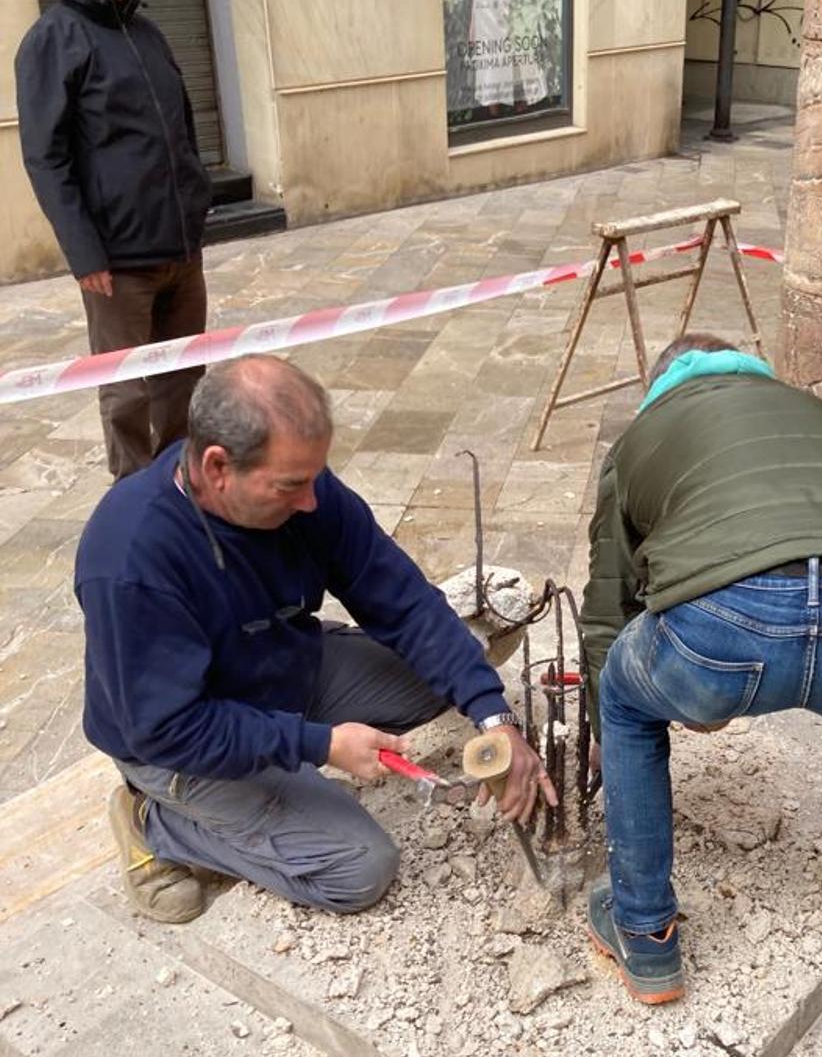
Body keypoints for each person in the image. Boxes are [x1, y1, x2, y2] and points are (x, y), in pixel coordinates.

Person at [74, 355, 552, 924]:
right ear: (218, 466)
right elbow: (170, 727)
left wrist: (495, 718)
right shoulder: (132, 558)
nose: (310, 501)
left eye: (313, 477)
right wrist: (318, 745)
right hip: (177, 740)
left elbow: (400, 597)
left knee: (450, 673)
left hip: (281, 668)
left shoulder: (307, 490)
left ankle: (280, 782)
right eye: (290, 485)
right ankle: (155, 822)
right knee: (360, 869)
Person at [580, 335, 822, 1046]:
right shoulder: (815, 413)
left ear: (659, 388)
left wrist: (626, 716)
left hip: (727, 624)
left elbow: (609, 609)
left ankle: (647, 938)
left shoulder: (642, 436)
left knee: (627, 701)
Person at [16, 0, 212, 480]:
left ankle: (180, 490)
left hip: (180, 252)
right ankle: (135, 504)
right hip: (117, 265)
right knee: (126, 396)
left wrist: (195, 214)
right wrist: (85, 254)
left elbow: (182, 128)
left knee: (184, 380)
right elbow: (45, 157)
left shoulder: (147, 32)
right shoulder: (53, 40)